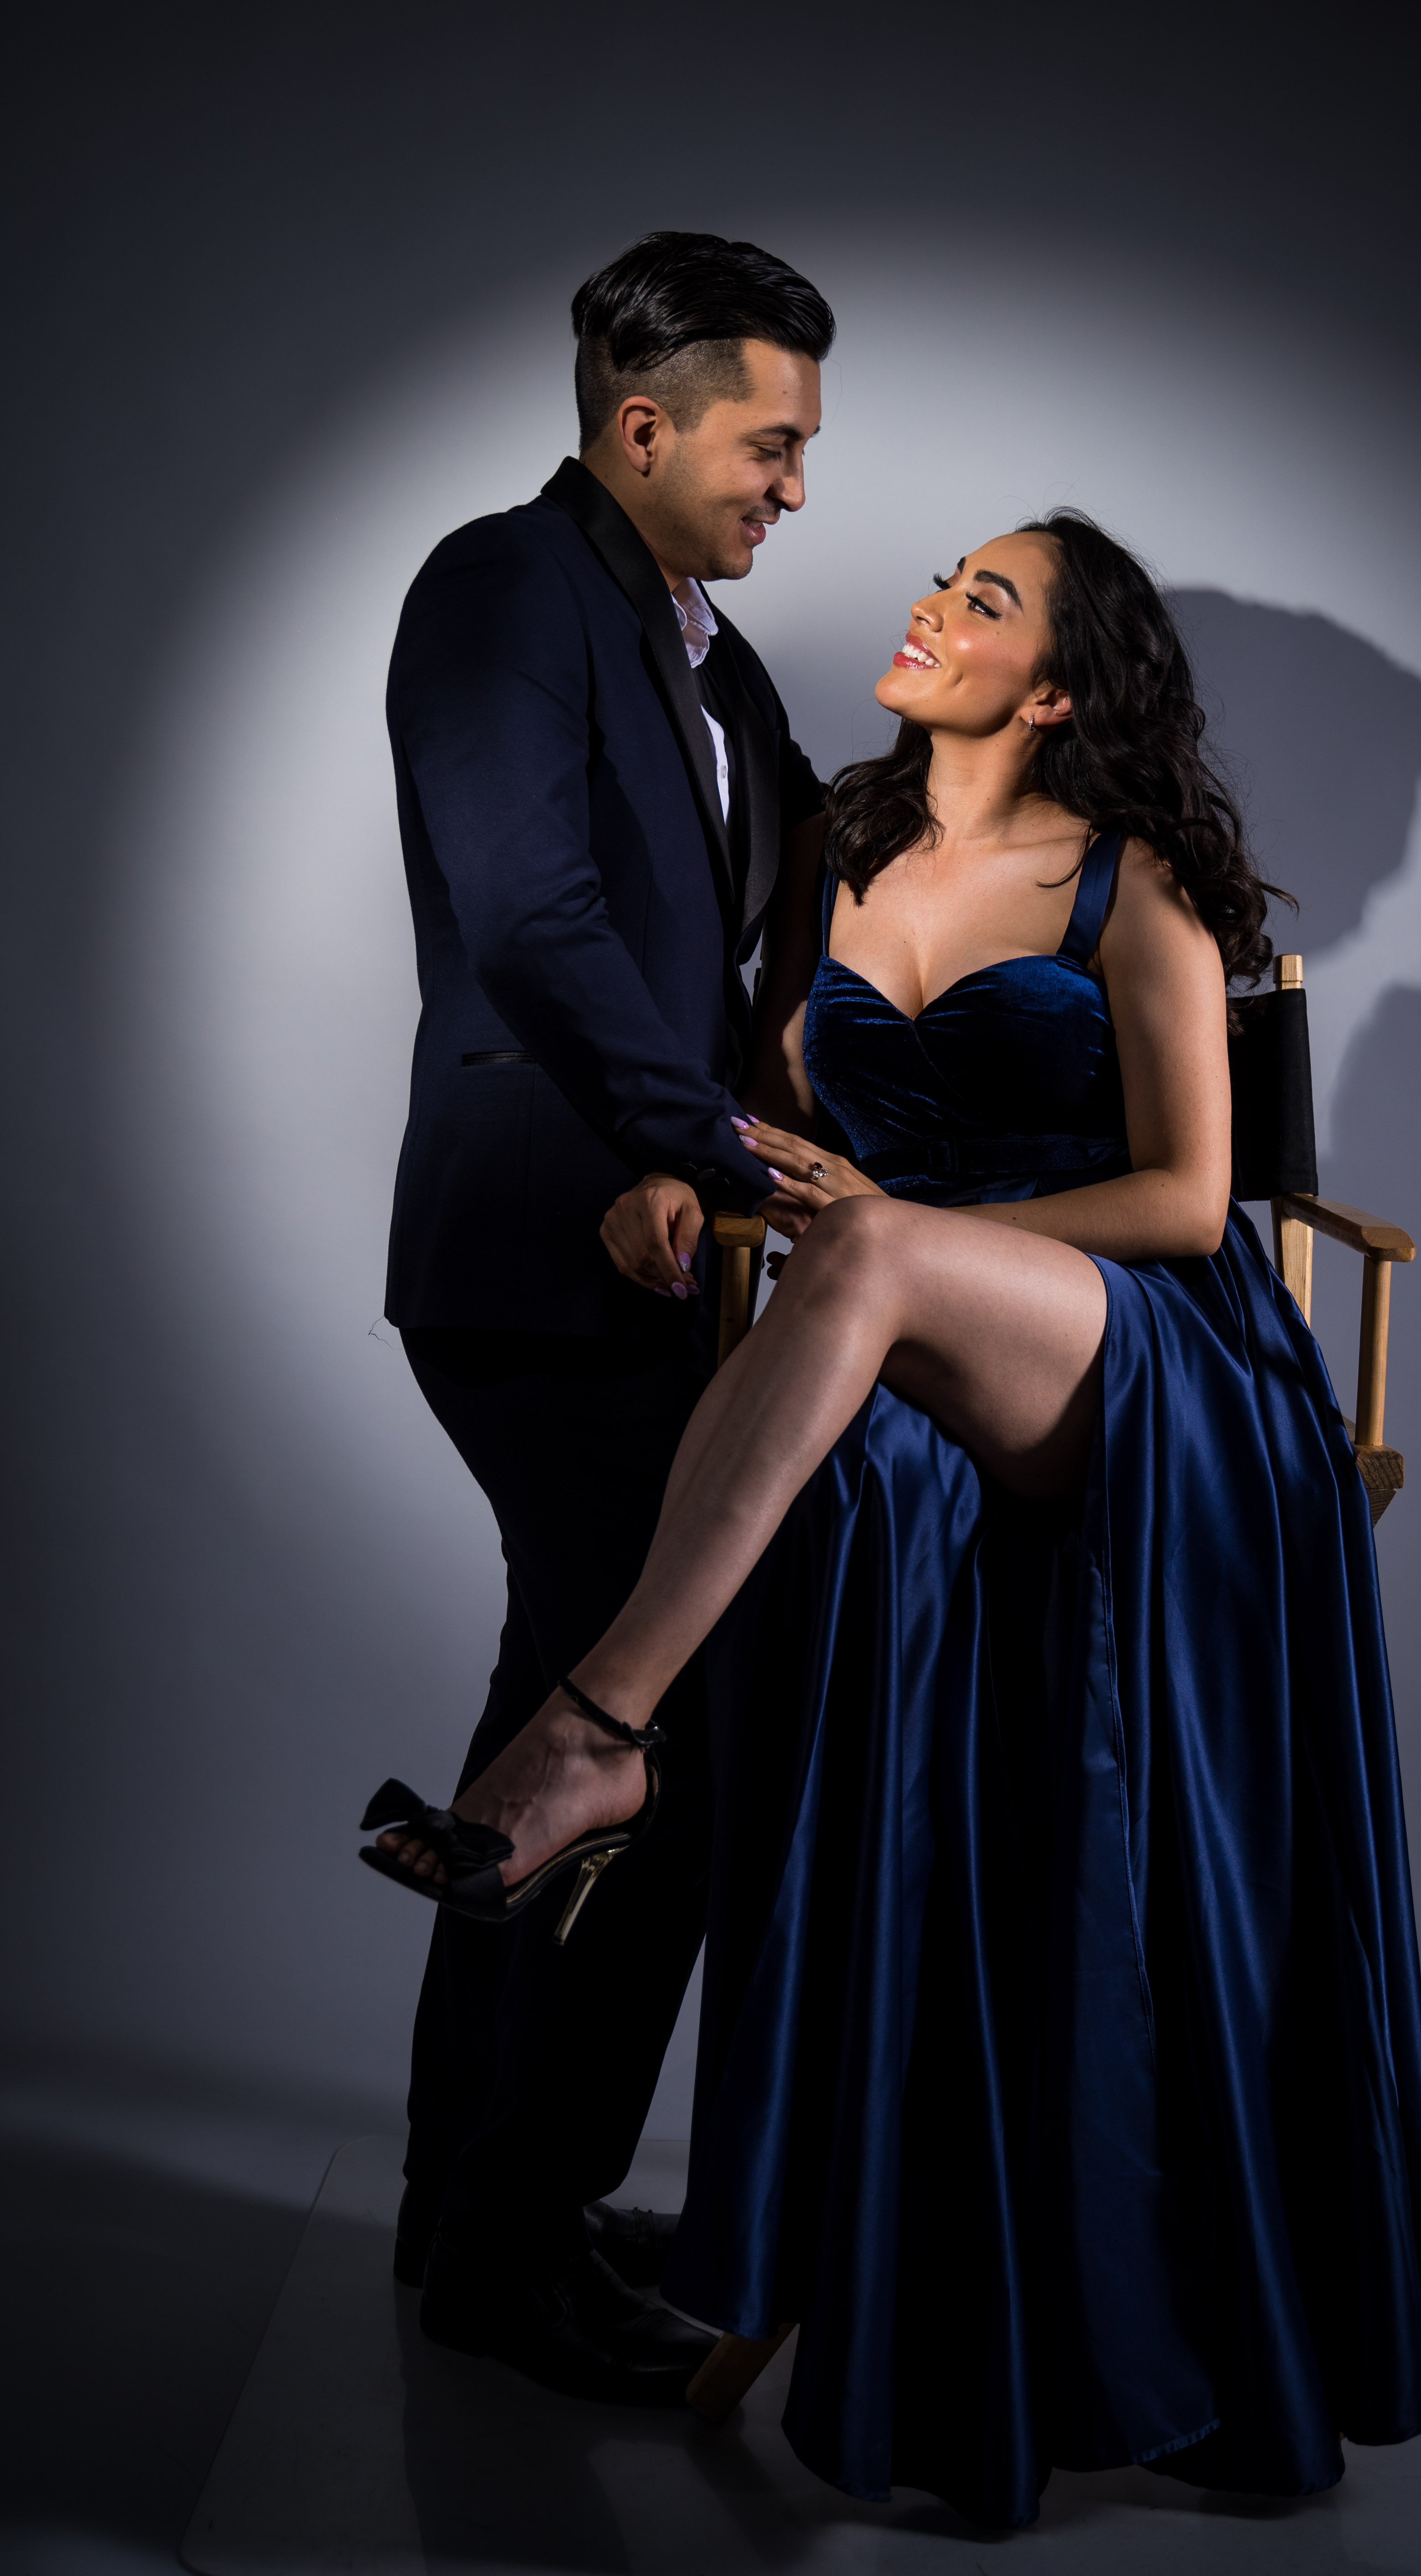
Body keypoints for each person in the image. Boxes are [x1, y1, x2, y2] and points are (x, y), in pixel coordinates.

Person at [369, 510, 1421, 2520]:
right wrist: (689, 1173)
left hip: (1139, 1350)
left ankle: (596, 1734)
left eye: (984, 600)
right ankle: (702, 2143)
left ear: (1054, 689)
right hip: (894, 1330)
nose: (931, 604)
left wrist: (912, 1230)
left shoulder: (1134, 881)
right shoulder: (836, 849)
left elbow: (1186, 1201)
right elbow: (769, 1116)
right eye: (947, 578)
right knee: (852, 1346)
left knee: (867, 1268)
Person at [368, 229, 833, 2404]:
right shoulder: (499, 587)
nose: (796, 488)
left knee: (559, 1728)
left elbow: (786, 918)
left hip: (663, 1252)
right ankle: (513, 2242)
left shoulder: (723, 669)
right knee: (661, 1751)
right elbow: (533, 914)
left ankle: (465, 2199)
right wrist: (712, 1148)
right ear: (641, 426)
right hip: (531, 1253)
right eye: (772, 445)